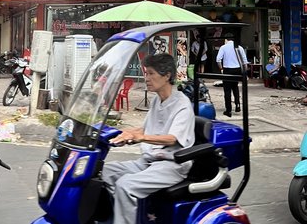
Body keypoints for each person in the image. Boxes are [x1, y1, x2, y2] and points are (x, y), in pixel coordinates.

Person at [101, 53, 195, 224]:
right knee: (105, 172)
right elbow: (145, 128)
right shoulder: (156, 101)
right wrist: (122, 133)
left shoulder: (182, 105)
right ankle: (123, 215)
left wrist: (141, 137)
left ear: (167, 76)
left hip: (171, 165)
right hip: (149, 160)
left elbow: (172, 139)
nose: (146, 78)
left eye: (151, 73)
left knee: (125, 185)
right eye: (146, 73)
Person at [216, 33, 248, 117]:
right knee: (235, 87)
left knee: (227, 90)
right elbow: (244, 61)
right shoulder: (239, 47)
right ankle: (237, 105)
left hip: (227, 70)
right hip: (237, 70)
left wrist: (221, 69)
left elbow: (218, 59)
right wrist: (245, 73)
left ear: (226, 39)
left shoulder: (223, 47)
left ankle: (228, 110)